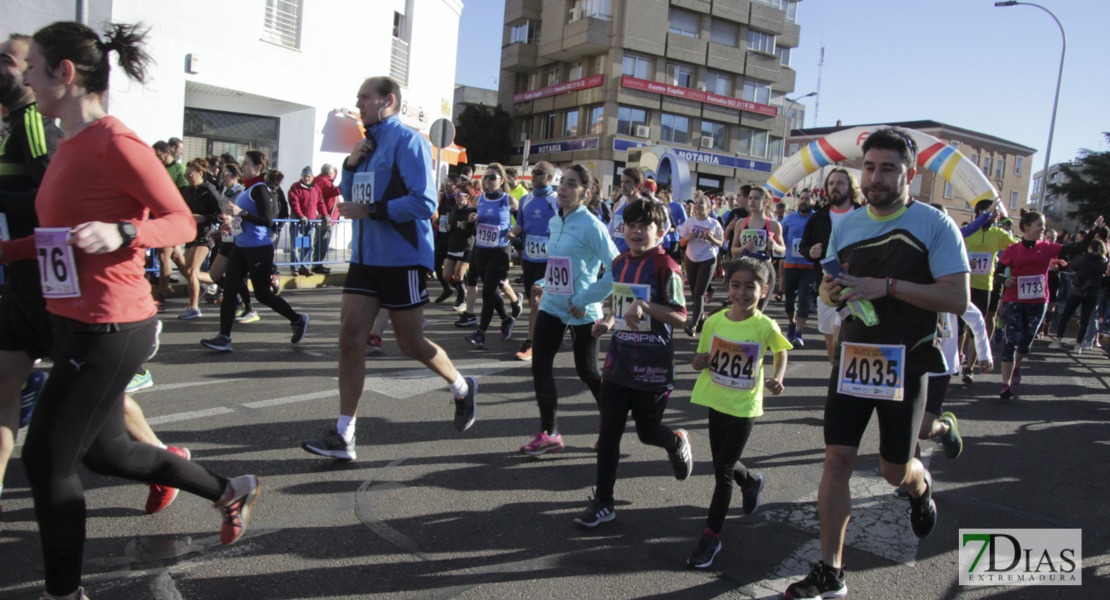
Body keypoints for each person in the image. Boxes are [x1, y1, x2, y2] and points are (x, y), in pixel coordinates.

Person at [2, 22, 259, 600]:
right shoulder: (68, 146)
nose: (27, 82)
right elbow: (53, 234)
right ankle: (228, 489)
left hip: (111, 323)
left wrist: (123, 230)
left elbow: (182, 221)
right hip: (74, 319)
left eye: (34, 70)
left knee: (45, 458)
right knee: (109, 451)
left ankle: (64, 593)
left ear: (65, 74)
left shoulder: (116, 142)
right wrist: (9, 250)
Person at [785, 128, 968, 600]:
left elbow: (956, 296)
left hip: (906, 361)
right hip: (856, 356)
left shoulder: (934, 224)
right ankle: (831, 572)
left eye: (888, 168)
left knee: (892, 470)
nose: (876, 177)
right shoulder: (846, 223)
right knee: (837, 458)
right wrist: (833, 292)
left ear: (911, 174)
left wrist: (885, 286)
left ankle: (920, 485)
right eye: (869, 167)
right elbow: (837, 287)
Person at [301, 76, 477, 462]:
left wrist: (374, 211)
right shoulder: (365, 144)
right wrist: (349, 165)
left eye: (365, 97)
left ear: (388, 101)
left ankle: (463, 387)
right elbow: (353, 197)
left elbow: (424, 202)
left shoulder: (408, 141)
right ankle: (344, 434)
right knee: (350, 339)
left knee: (410, 343)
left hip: (403, 257)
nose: (358, 102)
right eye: (358, 96)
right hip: (365, 258)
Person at [574, 199, 692, 528]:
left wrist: (645, 305)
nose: (636, 232)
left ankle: (676, 442)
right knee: (608, 434)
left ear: (662, 231)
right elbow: (620, 302)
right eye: (630, 225)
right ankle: (603, 502)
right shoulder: (620, 262)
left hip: (653, 364)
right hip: (619, 361)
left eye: (644, 226)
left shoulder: (666, 265)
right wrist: (607, 324)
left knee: (647, 431)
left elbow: (680, 317)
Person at [686, 257, 790, 568]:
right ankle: (751, 483)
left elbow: (781, 350)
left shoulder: (763, 325)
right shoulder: (715, 321)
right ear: (727, 287)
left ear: (763, 290)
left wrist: (778, 378)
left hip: (744, 407)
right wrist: (699, 363)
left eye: (750, 287)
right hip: (716, 400)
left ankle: (711, 537)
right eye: (735, 285)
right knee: (723, 463)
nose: (741, 293)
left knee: (722, 472)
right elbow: (702, 356)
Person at [0, 32, 63, 524]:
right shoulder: (9, 122)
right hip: (14, 280)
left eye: (8, 60)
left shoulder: (32, 124)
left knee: (108, 424)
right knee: (3, 389)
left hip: (43, 282)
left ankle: (164, 465)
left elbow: (48, 202)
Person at [521, 164, 618, 456]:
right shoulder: (555, 221)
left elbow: (617, 268)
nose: (563, 188)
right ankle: (549, 433)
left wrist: (587, 299)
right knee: (540, 367)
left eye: (571, 184)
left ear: (585, 194)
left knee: (587, 372)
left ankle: (611, 428)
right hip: (552, 305)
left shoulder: (592, 226)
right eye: (562, 182)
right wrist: (542, 283)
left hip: (581, 311)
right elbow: (558, 266)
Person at [199, 151, 309, 352]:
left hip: (259, 249)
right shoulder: (246, 189)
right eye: (242, 163)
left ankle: (297, 319)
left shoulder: (260, 189)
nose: (242, 166)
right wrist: (227, 230)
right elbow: (241, 220)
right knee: (230, 291)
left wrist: (242, 213)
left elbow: (267, 221)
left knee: (263, 295)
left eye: (246, 163)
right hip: (240, 248)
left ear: (258, 167)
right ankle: (224, 338)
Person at [996, 211, 1064, 399]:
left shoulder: (1048, 248)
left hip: (1037, 301)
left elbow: (1075, 248)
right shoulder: (1013, 249)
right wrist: (1004, 280)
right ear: (1027, 227)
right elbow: (997, 273)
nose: (1043, 229)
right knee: (1011, 341)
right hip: (1014, 299)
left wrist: (1095, 230)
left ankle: (1017, 364)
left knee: (1026, 340)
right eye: (1039, 225)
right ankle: (1005, 385)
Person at [798, 168, 863, 364]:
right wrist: (810, 252)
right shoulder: (818, 218)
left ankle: (846, 384)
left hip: (856, 286)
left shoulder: (864, 215)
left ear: (851, 188)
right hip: (826, 286)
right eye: (832, 183)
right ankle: (836, 377)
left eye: (841, 183)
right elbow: (804, 247)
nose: (835, 187)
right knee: (831, 343)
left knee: (849, 338)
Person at [959, 199, 1018, 384]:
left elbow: (1019, 248)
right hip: (963, 284)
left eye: (997, 213)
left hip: (984, 286)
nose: (996, 216)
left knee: (977, 326)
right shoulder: (967, 232)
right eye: (992, 212)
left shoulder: (998, 234)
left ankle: (969, 369)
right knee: (959, 326)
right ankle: (956, 358)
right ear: (979, 213)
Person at [463, 163, 519, 349]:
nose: (487, 181)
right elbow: (471, 229)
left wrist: (515, 233)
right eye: (485, 177)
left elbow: (522, 223)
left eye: (492, 178)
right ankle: (506, 319)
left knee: (487, 293)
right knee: (492, 290)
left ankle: (481, 334)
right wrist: (470, 222)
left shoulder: (508, 200)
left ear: (501, 181)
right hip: (481, 251)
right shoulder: (478, 200)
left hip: (499, 252)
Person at [510, 161, 558, 360]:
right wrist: (514, 231)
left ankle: (532, 342)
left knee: (536, 296)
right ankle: (548, 328)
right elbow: (520, 223)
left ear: (549, 177)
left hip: (550, 258)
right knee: (533, 299)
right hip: (529, 257)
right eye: (532, 172)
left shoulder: (557, 199)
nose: (533, 176)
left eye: (538, 173)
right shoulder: (526, 199)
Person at [179, 158, 221, 319]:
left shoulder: (209, 190)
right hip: (190, 233)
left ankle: (194, 307)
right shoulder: (186, 191)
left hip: (205, 234)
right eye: (186, 174)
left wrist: (203, 218)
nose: (188, 177)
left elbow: (220, 214)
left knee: (191, 271)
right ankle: (218, 281)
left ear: (200, 173)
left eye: (191, 174)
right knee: (189, 272)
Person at [730, 187, 784, 311]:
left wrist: (775, 246)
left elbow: (783, 249)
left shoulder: (774, 225)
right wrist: (744, 248)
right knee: (741, 307)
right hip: (744, 268)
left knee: (758, 310)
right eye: (750, 198)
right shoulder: (741, 223)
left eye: (756, 198)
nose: (752, 201)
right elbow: (733, 250)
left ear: (766, 202)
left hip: (764, 269)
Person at [678, 195, 725, 336]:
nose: (697, 206)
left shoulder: (714, 224)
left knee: (699, 293)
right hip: (691, 259)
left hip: (708, 259)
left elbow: (721, 243)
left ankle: (693, 324)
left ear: (708, 208)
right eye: (696, 203)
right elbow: (681, 243)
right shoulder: (689, 222)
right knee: (694, 292)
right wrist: (688, 238)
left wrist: (711, 239)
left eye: (701, 204)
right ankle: (702, 317)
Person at [1052, 237, 1109, 351]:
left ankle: (1058, 341)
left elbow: (1074, 268)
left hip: (1077, 289)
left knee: (1066, 315)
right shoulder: (1104, 261)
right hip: (1093, 292)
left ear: (1090, 247)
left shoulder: (1083, 258)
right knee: (1085, 320)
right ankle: (1079, 345)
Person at [780, 189, 816, 347]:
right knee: (789, 301)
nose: (804, 201)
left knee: (804, 299)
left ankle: (799, 333)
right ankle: (791, 324)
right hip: (790, 265)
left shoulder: (817, 219)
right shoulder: (788, 219)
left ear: (813, 201)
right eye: (801, 198)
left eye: (807, 199)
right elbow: (780, 238)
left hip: (809, 266)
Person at [442, 182, 476, 315]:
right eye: (455, 194)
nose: (456, 197)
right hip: (453, 244)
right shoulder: (453, 209)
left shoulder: (471, 211)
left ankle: (461, 300)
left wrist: (466, 225)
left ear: (467, 196)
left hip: (466, 246)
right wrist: (449, 226)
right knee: (446, 276)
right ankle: (462, 289)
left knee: (458, 275)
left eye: (459, 195)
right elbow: (450, 224)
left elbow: (474, 230)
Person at [288, 165, 327, 277]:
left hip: (310, 223)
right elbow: (294, 202)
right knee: (296, 245)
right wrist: (300, 215)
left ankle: (305, 267)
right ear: (301, 176)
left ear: (312, 177)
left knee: (308, 245)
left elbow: (320, 203)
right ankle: (294, 267)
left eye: (309, 176)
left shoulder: (316, 189)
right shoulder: (295, 187)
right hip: (299, 222)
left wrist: (324, 214)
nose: (307, 178)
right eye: (305, 176)